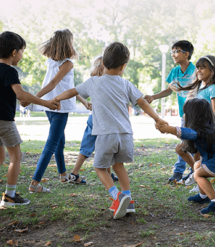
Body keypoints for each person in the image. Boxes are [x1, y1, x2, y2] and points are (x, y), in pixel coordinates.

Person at [53, 41, 168, 219]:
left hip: (106, 135)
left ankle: (117, 196)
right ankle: (128, 201)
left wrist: (57, 98)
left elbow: (72, 91)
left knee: (99, 167)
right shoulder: (126, 84)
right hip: (126, 135)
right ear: (124, 66)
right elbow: (143, 102)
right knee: (119, 166)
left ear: (103, 64)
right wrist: (158, 119)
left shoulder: (93, 82)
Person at [0, 31, 60, 209]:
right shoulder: (10, 71)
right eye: (22, 51)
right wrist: (46, 103)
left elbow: (10, 95)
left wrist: (23, 99)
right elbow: (20, 93)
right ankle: (10, 196)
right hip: (3, 122)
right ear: (14, 53)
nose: (22, 55)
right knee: (16, 157)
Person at [28, 29, 91, 193]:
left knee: (60, 142)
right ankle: (34, 183)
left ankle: (63, 175)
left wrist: (83, 101)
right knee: (52, 144)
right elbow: (52, 85)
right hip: (59, 107)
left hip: (50, 106)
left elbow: (69, 87)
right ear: (68, 43)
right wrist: (32, 98)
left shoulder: (51, 62)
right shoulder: (67, 63)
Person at [156, 98, 215, 214]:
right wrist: (183, 153)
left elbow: (189, 133)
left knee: (198, 174)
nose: (184, 116)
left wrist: (169, 129)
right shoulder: (209, 130)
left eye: (186, 113)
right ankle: (203, 196)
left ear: (194, 116)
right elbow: (195, 162)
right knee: (197, 166)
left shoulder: (202, 131)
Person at [172, 55, 215, 192]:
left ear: (213, 71)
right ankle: (195, 175)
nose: (199, 70)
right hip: (195, 129)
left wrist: (213, 128)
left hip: (205, 130)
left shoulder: (213, 89)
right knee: (181, 150)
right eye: (198, 68)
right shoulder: (200, 88)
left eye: (203, 67)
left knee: (197, 156)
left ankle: (199, 183)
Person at [144, 40, 195, 183]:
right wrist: (153, 97)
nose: (173, 54)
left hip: (197, 115)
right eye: (172, 51)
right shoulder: (175, 72)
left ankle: (182, 172)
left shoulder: (196, 70)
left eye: (176, 51)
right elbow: (168, 90)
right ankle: (189, 171)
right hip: (184, 115)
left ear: (186, 54)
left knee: (188, 143)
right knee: (185, 142)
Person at [69, 56, 118, 185]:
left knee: (86, 147)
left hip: (92, 117)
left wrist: (85, 102)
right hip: (102, 119)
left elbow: (75, 90)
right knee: (107, 145)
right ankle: (107, 173)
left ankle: (75, 173)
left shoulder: (92, 81)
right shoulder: (108, 81)